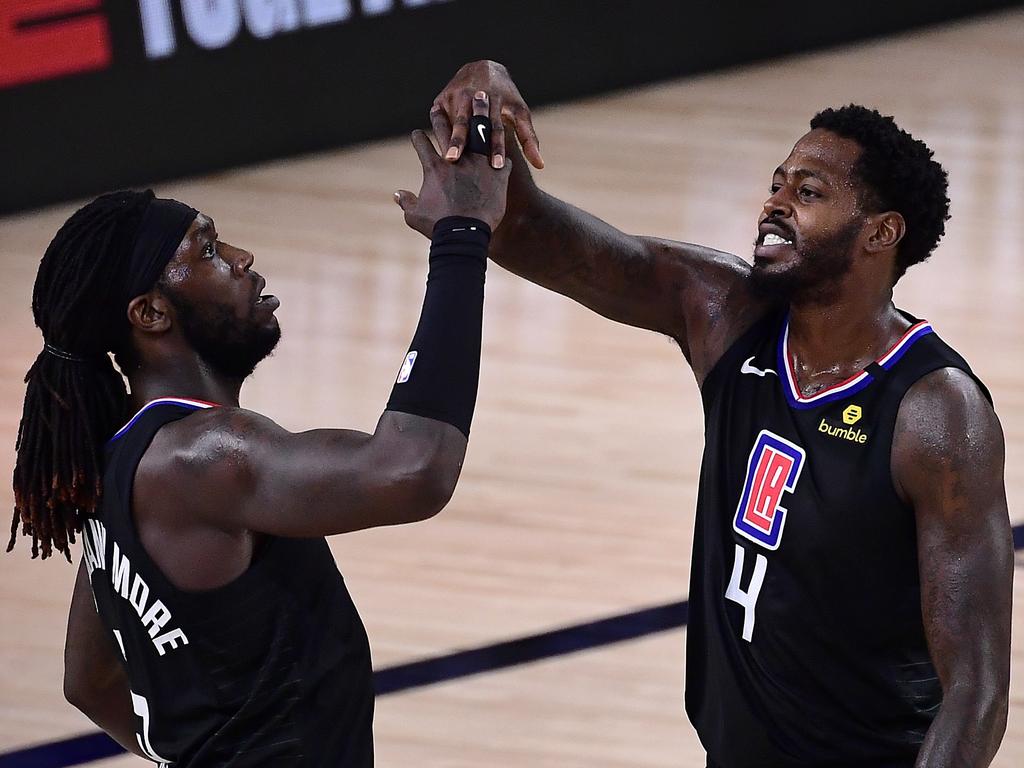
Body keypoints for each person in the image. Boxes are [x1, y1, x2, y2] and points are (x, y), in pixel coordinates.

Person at [420, 61, 1013, 767]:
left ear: (880, 233)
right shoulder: (725, 311)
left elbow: (976, 692)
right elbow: (539, 237)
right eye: (776, 184)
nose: (775, 204)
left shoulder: (936, 415)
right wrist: (483, 105)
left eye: (810, 192)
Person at [8, 93, 509, 766]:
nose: (241, 257)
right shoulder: (203, 459)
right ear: (152, 313)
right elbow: (413, 469)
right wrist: (463, 235)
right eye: (208, 250)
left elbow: (90, 682)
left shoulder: (120, 456)